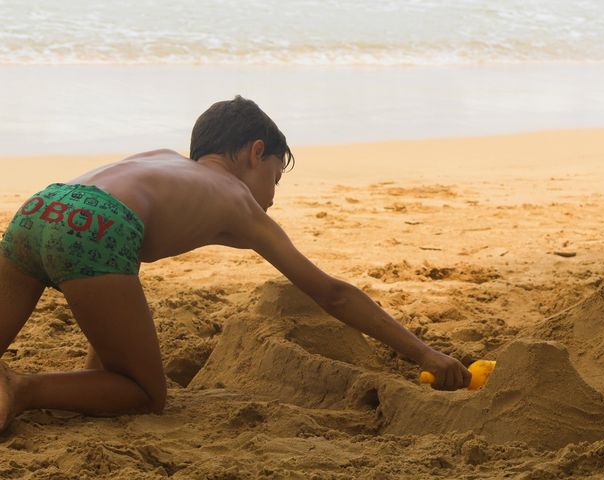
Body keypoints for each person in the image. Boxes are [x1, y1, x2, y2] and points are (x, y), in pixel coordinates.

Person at [0, 96, 470, 432]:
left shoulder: (162, 160)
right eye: (274, 178)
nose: (270, 196)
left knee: (111, 305)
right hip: (100, 226)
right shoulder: (237, 200)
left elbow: (106, 244)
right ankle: (20, 388)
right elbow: (333, 293)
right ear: (255, 152)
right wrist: (426, 354)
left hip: (43, 205)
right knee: (145, 393)